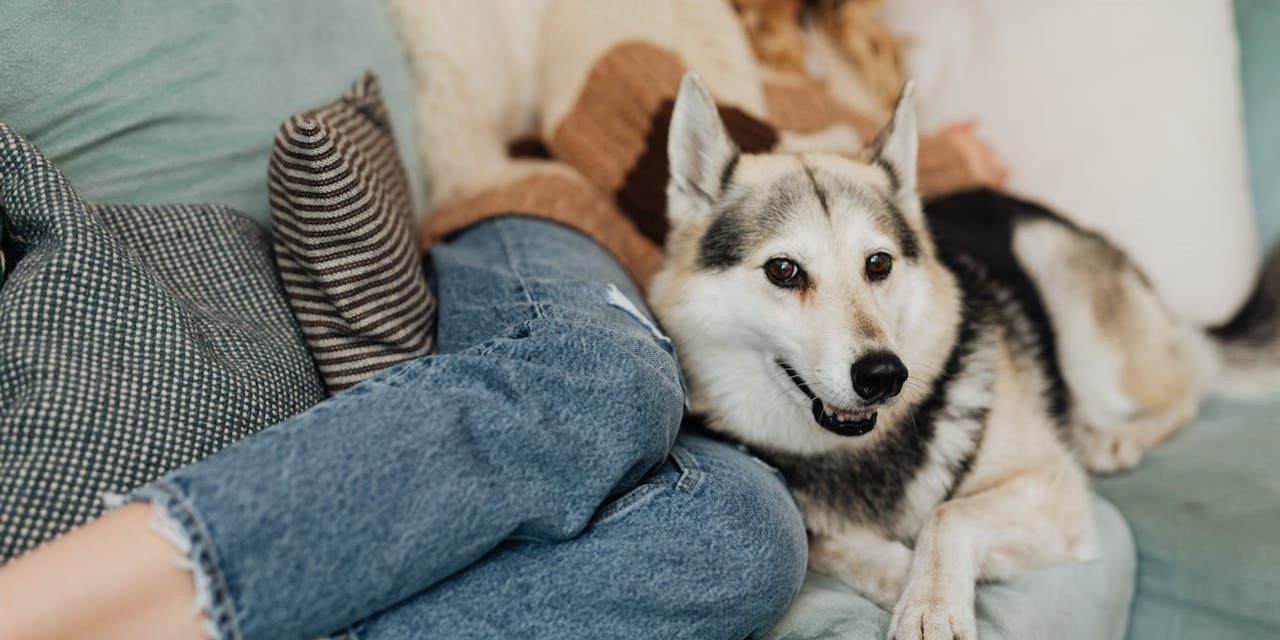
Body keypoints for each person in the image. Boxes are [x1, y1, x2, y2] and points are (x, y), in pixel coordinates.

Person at [0, 1, 1008, 638]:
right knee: (603, 381)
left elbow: (879, 229)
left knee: (747, 542)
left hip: (728, 357)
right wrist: (855, 173)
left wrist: (898, 185)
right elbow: (612, 97)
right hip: (547, 221)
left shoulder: (847, 71)